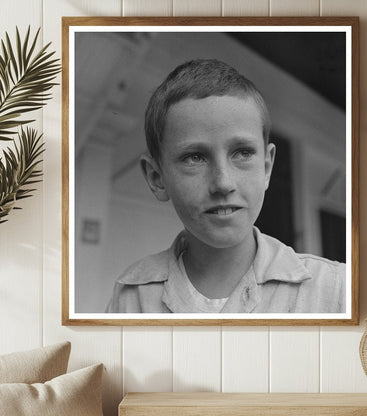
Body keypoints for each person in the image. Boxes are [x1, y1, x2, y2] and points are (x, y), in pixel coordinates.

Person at [106, 59, 346, 314]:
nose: (222, 183)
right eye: (194, 158)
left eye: (242, 153)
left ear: (266, 167)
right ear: (156, 178)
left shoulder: (334, 289)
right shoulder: (132, 295)